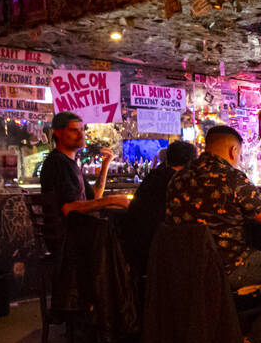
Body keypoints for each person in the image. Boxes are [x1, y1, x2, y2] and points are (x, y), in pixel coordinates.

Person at [167, 125, 261, 289]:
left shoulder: (178, 178)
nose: (239, 159)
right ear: (233, 150)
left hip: (185, 268)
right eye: (240, 154)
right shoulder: (233, 178)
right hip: (228, 269)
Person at [39, 111, 129, 252]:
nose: (81, 135)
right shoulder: (58, 163)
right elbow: (69, 208)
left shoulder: (69, 163)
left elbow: (95, 197)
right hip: (70, 238)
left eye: (82, 129)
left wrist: (105, 165)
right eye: (74, 130)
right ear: (58, 133)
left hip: (76, 234)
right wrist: (111, 200)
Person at [124, 140, 197, 275]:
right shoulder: (179, 182)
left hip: (136, 249)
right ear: (191, 163)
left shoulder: (154, 176)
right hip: (159, 254)